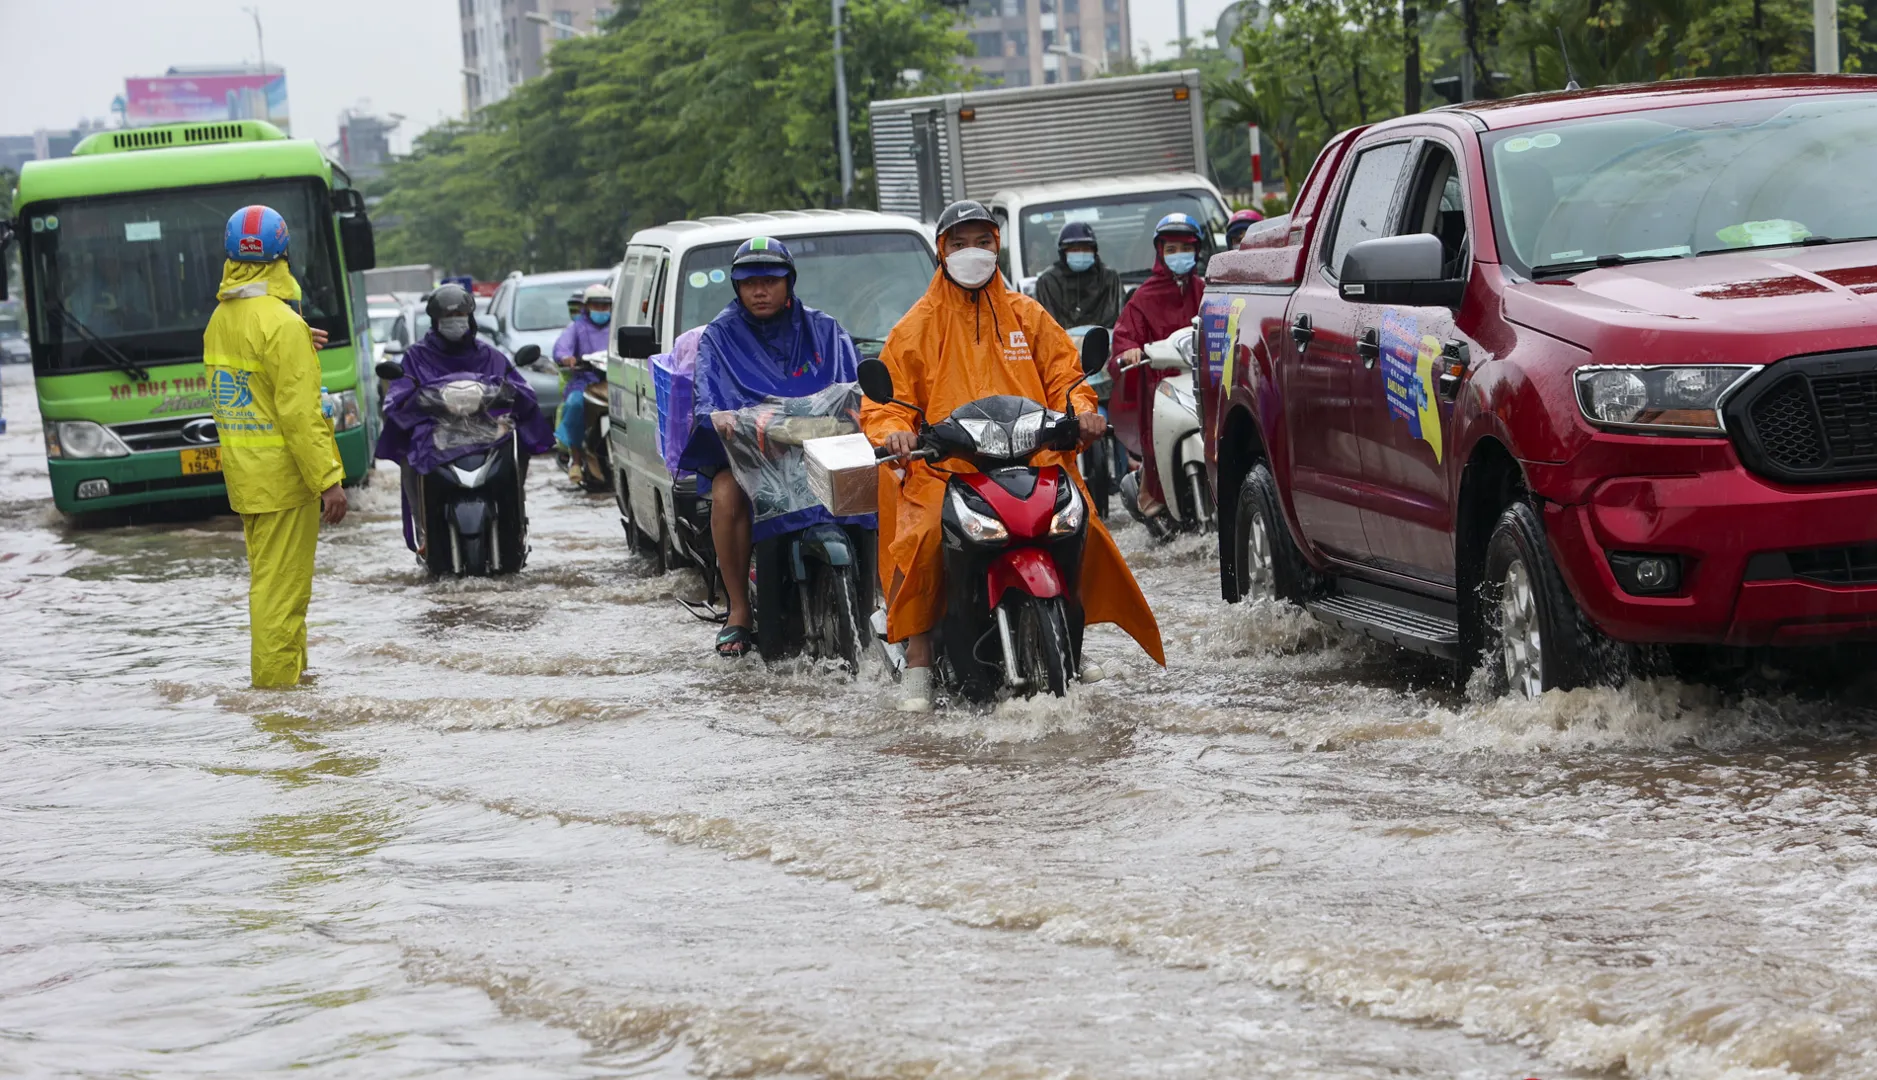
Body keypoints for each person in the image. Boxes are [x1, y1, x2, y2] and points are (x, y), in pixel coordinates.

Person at [861, 200, 1166, 712]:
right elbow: (887, 403)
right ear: (941, 252)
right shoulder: (917, 326)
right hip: (947, 467)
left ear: (997, 247)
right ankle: (917, 652)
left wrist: (1083, 411)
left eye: (981, 241)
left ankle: (1075, 630)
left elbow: (1068, 378)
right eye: (959, 244)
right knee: (927, 537)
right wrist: (895, 432)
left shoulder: (1028, 315)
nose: (971, 253)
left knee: (1081, 520)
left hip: (1031, 459)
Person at [677, 237, 861, 658]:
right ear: (737, 287)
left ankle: (881, 601)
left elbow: (853, 386)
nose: (760, 290)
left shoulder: (825, 329)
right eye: (749, 282)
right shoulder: (720, 337)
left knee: (882, 482)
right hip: (752, 458)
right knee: (725, 494)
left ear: (789, 283)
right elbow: (707, 399)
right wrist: (719, 417)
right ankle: (738, 609)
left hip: (820, 451)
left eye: (770, 281)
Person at [203, 204, 347, 688]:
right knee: (282, 597)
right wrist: (329, 481)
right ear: (283, 256)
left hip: (247, 478)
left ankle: (294, 684)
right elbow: (299, 414)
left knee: (273, 587)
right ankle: (277, 707)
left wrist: (298, 339)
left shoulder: (220, 319)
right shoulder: (283, 325)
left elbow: (253, 380)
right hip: (286, 480)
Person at [375, 284, 554, 553]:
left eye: (459, 314)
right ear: (436, 321)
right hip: (435, 433)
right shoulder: (416, 356)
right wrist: (417, 401)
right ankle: (422, 526)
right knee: (408, 454)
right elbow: (399, 395)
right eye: (448, 317)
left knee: (518, 443)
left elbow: (517, 387)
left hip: (486, 430)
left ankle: (516, 517)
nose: (454, 321)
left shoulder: (490, 355)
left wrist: (512, 396)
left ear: (469, 317)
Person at [1112, 211, 1206, 526]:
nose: (1179, 256)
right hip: (1163, 392)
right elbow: (1124, 339)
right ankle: (1154, 495)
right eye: (1171, 249)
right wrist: (1129, 353)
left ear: (1198, 250)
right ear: (1160, 253)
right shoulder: (1142, 298)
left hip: (1205, 384)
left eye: (1186, 248)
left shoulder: (1209, 291)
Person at [552, 283, 613, 485]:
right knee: (574, 406)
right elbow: (561, 348)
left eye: (605, 306)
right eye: (597, 305)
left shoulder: (617, 326)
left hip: (613, 382)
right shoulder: (577, 328)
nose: (601, 310)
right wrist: (566, 358)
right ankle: (576, 459)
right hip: (585, 383)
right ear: (587, 307)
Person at [1033, 221, 1123, 331]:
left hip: (1104, 344)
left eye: (1086, 249)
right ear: (1063, 252)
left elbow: (1121, 321)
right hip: (1060, 345)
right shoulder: (1048, 282)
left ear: (1094, 251)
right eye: (1075, 250)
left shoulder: (1109, 278)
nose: (1081, 253)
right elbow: (1043, 326)